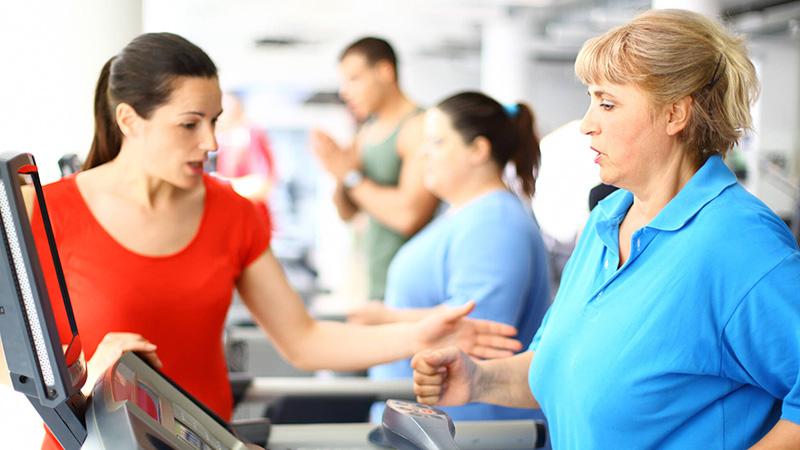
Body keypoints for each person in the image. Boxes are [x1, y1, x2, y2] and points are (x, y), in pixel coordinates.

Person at [0, 32, 522, 450]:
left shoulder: (233, 212)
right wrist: (82, 374)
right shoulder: (45, 211)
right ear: (129, 120)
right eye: (189, 125)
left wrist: (425, 334)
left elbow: (305, 339)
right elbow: (8, 367)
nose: (209, 144)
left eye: (215, 122)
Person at [411, 9, 800, 449]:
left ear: (675, 114)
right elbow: (561, 367)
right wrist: (479, 380)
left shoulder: (739, 243)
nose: (586, 124)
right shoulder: (606, 218)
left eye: (608, 103)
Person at [350, 92, 550, 422]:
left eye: (437, 142)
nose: (423, 154)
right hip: (432, 424)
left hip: (470, 429)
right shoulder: (466, 215)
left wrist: (384, 318)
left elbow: (480, 334)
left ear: (478, 150)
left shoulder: (494, 222)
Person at [311, 37, 438, 300]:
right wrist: (337, 169)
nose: (345, 91)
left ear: (385, 71)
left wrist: (350, 176)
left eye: (354, 79)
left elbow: (408, 216)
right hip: (374, 284)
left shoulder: (419, 125)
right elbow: (348, 212)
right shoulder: (367, 131)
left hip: (413, 290)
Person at [213, 91, 277, 230]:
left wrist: (217, 186)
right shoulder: (225, 141)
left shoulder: (251, 135)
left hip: (252, 226)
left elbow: (262, 185)